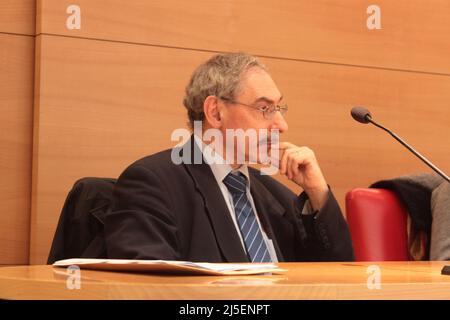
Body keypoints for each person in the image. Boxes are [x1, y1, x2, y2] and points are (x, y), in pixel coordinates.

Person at [104, 52, 354, 262]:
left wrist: (317, 192)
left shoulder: (274, 194)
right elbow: (147, 289)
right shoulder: (152, 184)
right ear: (216, 113)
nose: (281, 125)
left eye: (279, 108)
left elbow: (339, 274)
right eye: (265, 109)